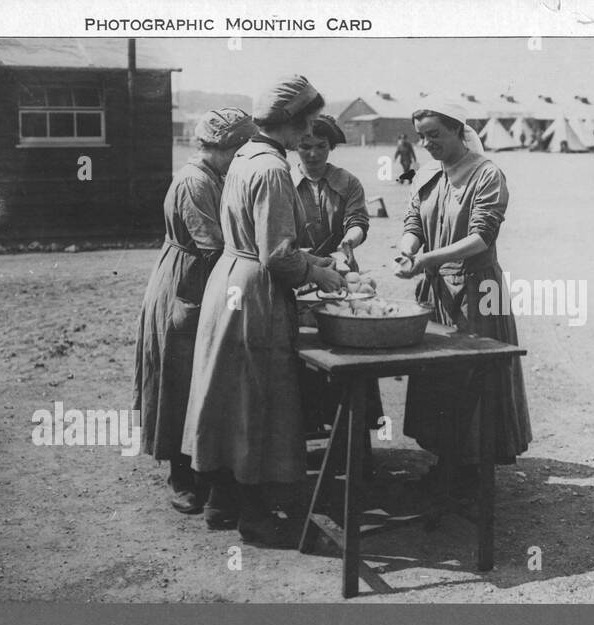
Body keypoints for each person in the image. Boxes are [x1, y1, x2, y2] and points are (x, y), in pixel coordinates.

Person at [182, 75, 345, 548]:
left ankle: (220, 501)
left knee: (227, 394)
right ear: (294, 122)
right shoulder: (272, 169)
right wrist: (319, 275)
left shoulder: (245, 157)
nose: (309, 133)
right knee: (258, 397)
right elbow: (276, 255)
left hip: (230, 279)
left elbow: (257, 238)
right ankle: (256, 516)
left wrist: (311, 259)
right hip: (255, 291)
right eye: (308, 123)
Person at [393, 101, 532, 495]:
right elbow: (414, 222)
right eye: (421, 136)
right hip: (436, 291)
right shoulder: (428, 174)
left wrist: (426, 259)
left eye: (434, 134)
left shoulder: (486, 175)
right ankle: (445, 461)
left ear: (458, 130)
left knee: (473, 378)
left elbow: (480, 237)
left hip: (475, 292)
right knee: (438, 380)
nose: (426, 143)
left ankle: (471, 470)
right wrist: (408, 250)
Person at [134, 107, 258, 513]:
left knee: (201, 377)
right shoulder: (194, 181)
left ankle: (206, 469)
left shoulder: (214, 175)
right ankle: (181, 476)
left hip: (201, 278)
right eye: (240, 149)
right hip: (186, 282)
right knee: (180, 378)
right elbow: (214, 246)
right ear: (226, 147)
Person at [293, 115, 382, 468]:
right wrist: (308, 261)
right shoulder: (282, 181)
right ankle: (301, 432)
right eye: (305, 146)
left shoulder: (347, 182)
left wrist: (348, 243)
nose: (313, 154)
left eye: (320, 147)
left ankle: (352, 437)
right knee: (303, 353)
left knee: (347, 351)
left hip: (342, 275)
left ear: (331, 148)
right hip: (299, 274)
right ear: (295, 146)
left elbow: (359, 222)